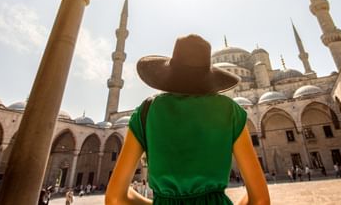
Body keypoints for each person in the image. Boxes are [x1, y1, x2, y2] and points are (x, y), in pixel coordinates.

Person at [105, 35, 270, 204]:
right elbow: (260, 200)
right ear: (207, 73)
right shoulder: (230, 110)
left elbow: (115, 198)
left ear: (171, 71)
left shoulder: (146, 111)